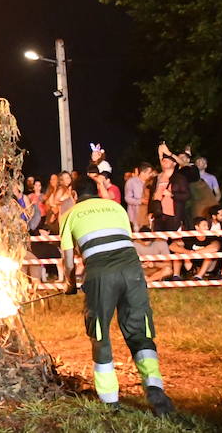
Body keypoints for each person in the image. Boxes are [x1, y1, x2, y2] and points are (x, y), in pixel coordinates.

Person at [60, 175, 174, 415]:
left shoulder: (69, 215)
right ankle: (154, 385)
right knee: (139, 330)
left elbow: (69, 261)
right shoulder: (116, 207)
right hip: (132, 269)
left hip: (100, 274)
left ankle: (110, 399)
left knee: (99, 332)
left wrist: (70, 285)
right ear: (97, 191)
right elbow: (124, 241)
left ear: (74, 195)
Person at [124, 164, 150, 231]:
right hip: (135, 216)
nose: (150, 175)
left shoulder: (150, 182)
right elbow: (127, 198)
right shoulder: (131, 182)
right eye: (149, 173)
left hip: (148, 216)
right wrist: (140, 201)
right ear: (142, 173)